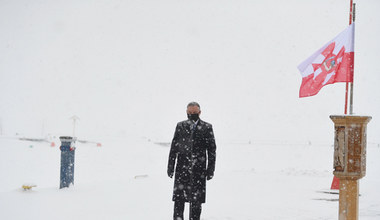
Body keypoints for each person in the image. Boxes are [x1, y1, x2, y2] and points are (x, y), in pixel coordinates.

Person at [167, 102, 217, 220]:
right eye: (190, 113)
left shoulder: (207, 127)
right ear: (186, 112)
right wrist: (170, 167)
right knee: (179, 202)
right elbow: (174, 148)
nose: (192, 115)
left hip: (199, 171)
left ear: (200, 112)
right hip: (182, 169)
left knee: (196, 202)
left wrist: (210, 169)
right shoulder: (180, 126)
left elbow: (212, 150)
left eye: (194, 113)